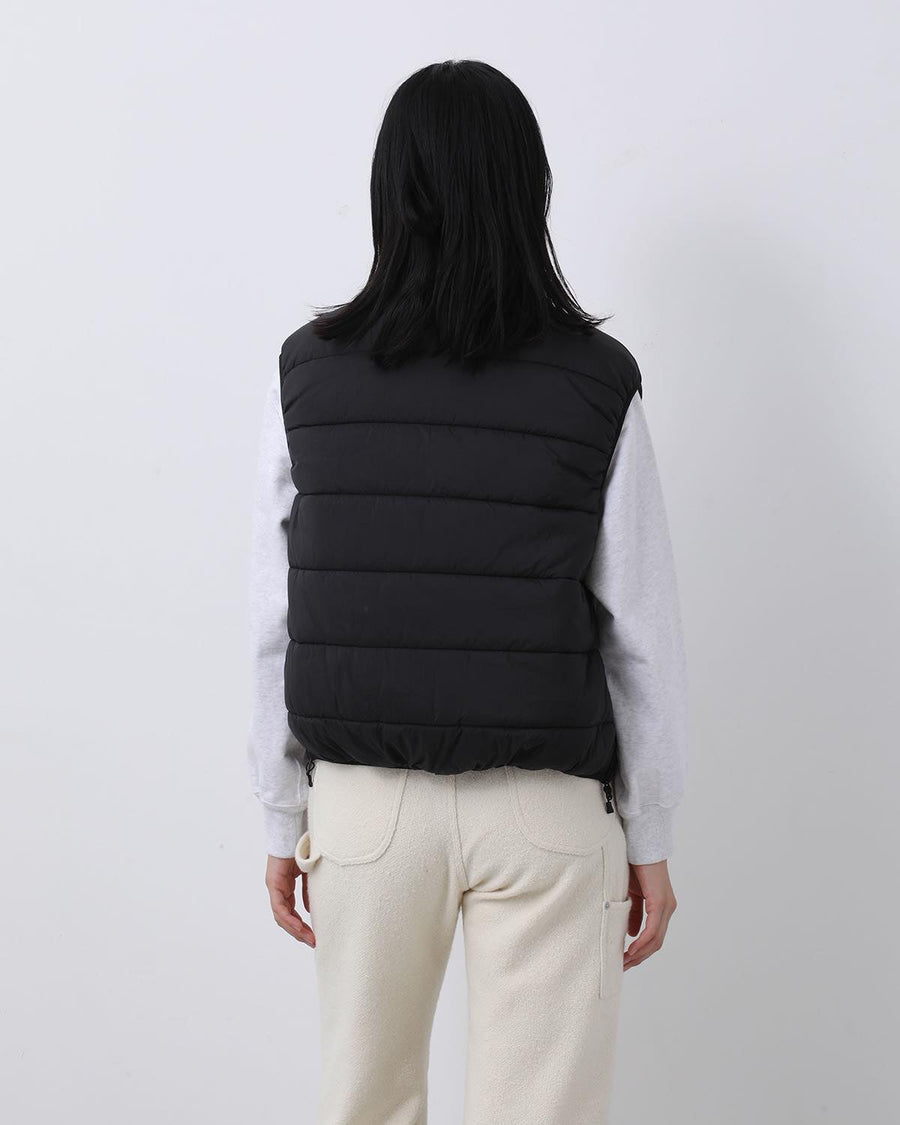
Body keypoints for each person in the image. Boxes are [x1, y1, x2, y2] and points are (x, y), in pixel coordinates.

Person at [247, 59, 687, 1125]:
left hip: (364, 813)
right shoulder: (597, 381)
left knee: (364, 1105)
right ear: (527, 191)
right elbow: (640, 630)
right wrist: (651, 835)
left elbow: (276, 617)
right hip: (546, 815)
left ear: (389, 192)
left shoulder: (307, 376)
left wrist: (278, 809)